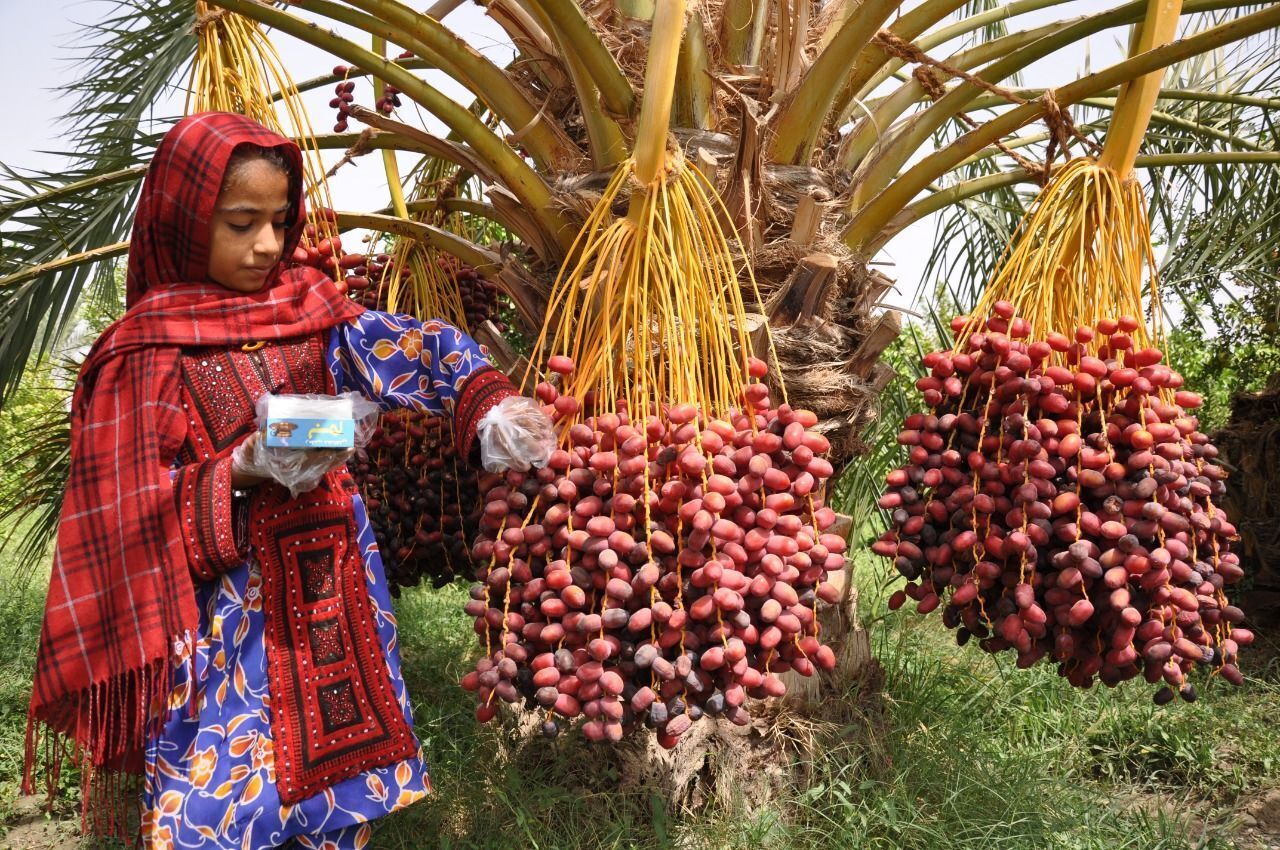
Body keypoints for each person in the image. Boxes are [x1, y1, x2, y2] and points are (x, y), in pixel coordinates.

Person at [23, 112, 552, 849]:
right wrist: (238, 469)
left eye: (278, 221)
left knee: (338, 798)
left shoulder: (310, 310)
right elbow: (124, 514)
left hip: (332, 593)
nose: (268, 245)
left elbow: (413, 345)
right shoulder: (141, 354)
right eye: (242, 224)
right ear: (185, 222)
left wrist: (486, 403)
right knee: (211, 804)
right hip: (218, 618)